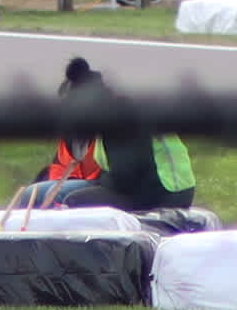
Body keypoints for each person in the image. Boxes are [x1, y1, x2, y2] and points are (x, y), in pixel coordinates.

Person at [15, 56, 198, 215]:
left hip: (161, 194)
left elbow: (125, 178)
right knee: (34, 193)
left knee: (74, 201)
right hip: (127, 185)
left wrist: (97, 183)